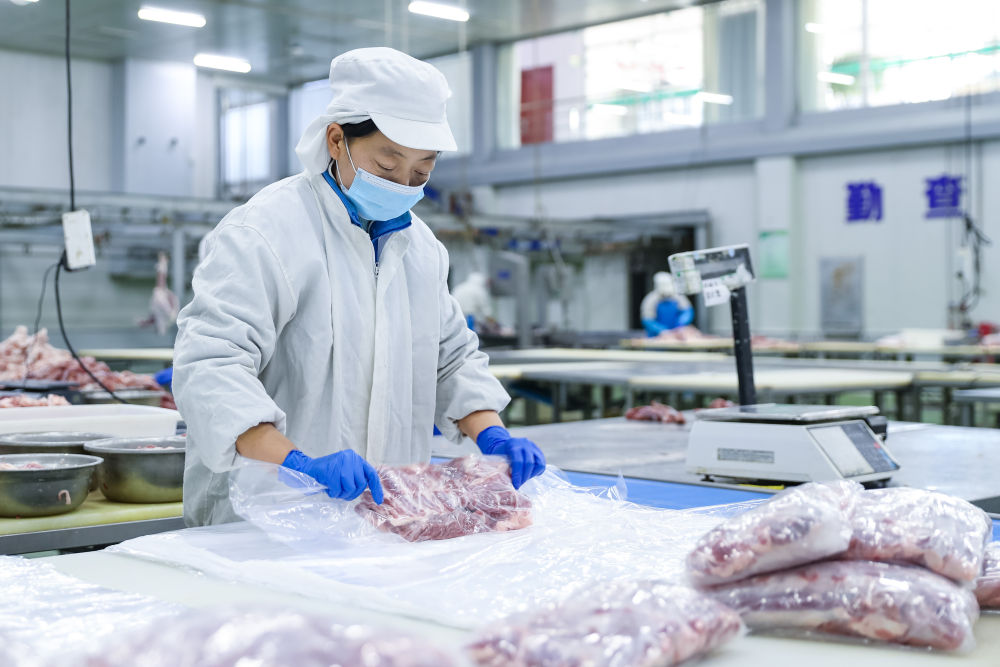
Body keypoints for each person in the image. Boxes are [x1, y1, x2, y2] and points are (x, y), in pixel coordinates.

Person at [173, 47, 546, 526]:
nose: (403, 184)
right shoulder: (266, 231)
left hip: (388, 518)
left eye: (422, 171)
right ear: (336, 140)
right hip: (265, 515)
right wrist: (297, 464)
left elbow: (451, 360)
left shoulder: (422, 249)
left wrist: (493, 436)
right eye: (388, 166)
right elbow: (211, 365)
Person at [640, 271, 693, 337]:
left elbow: (687, 311)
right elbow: (647, 320)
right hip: (656, 337)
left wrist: (681, 323)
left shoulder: (678, 297)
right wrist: (661, 330)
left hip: (677, 334)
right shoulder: (650, 299)